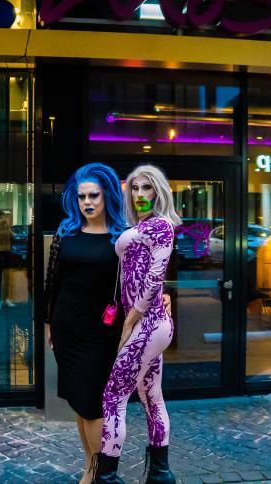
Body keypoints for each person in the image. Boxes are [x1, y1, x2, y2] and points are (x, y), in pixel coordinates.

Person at [43, 163, 171, 484]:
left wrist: (162, 298)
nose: (87, 202)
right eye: (81, 196)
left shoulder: (124, 235)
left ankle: (102, 474)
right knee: (80, 402)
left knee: (95, 405)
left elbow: (147, 276)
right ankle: (90, 467)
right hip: (67, 329)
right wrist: (48, 324)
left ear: (107, 196)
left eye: (94, 196)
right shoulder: (66, 233)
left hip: (104, 332)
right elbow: (52, 283)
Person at [93, 164, 181, 484]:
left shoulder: (160, 225)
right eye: (135, 187)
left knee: (113, 396)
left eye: (147, 187)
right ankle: (160, 474)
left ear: (158, 192)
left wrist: (130, 323)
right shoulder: (141, 225)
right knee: (151, 396)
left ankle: (107, 477)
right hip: (150, 324)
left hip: (149, 323)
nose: (140, 193)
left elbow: (155, 278)